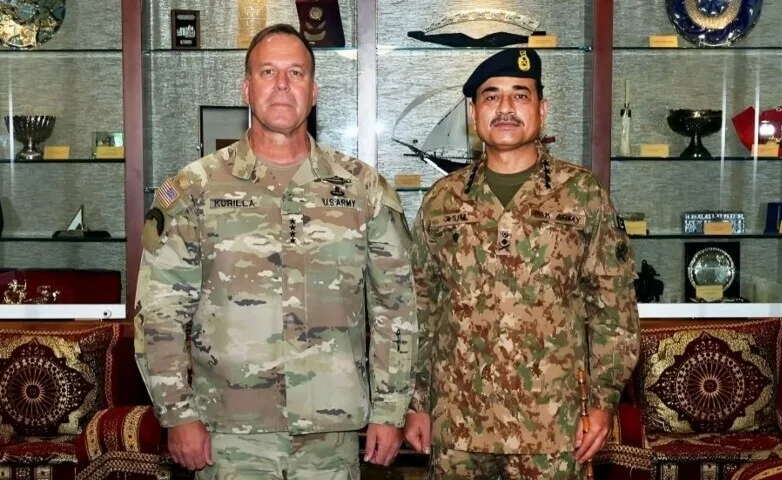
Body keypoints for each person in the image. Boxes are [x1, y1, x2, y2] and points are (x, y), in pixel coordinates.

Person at [133, 23, 419, 480]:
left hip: (331, 431)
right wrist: (176, 413)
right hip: (228, 434)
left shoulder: (363, 188)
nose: (282, 85)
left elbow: (396, 306)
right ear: (246, 89)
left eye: (296, 73)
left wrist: (391, 409)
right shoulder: (195, 189)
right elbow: (160, 310)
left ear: (314, 91)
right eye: (268, 72)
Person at [403, 48, 641, 479]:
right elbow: (420, 306)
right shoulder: (442, 200)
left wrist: (603, 402)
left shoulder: (581, 194)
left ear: (542, 110)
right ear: (473, 114)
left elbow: (613, 308)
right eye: (491, 97)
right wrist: (417, 402)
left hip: (554, 426)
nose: (506, 108)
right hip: (459, 423)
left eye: (520, 95)